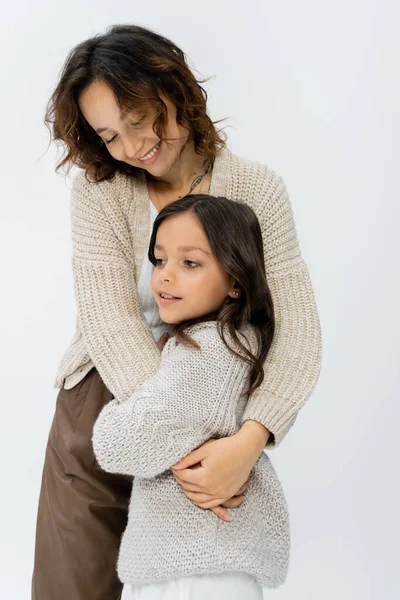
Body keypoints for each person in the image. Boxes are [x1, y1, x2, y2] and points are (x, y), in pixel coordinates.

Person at [32, 23, 322, 600]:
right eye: (109, 135)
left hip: (215, 417)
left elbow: (298, 333)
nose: (132, 146)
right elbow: (108, 320)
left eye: (139, 120)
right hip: (105, 411)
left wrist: (248, 441)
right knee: (72, 587)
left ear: (175, 88)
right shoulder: (99, 191)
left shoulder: (256, 189)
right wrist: (172, 429)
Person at [92, 193, 287, 599]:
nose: (165, 276)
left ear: (236, 282)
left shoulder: (212, 351)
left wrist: (119, 410)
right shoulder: (211, 346)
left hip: (194, 570)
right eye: (160, 260)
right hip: (194, 561)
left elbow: (116, 444)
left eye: (190, 263)